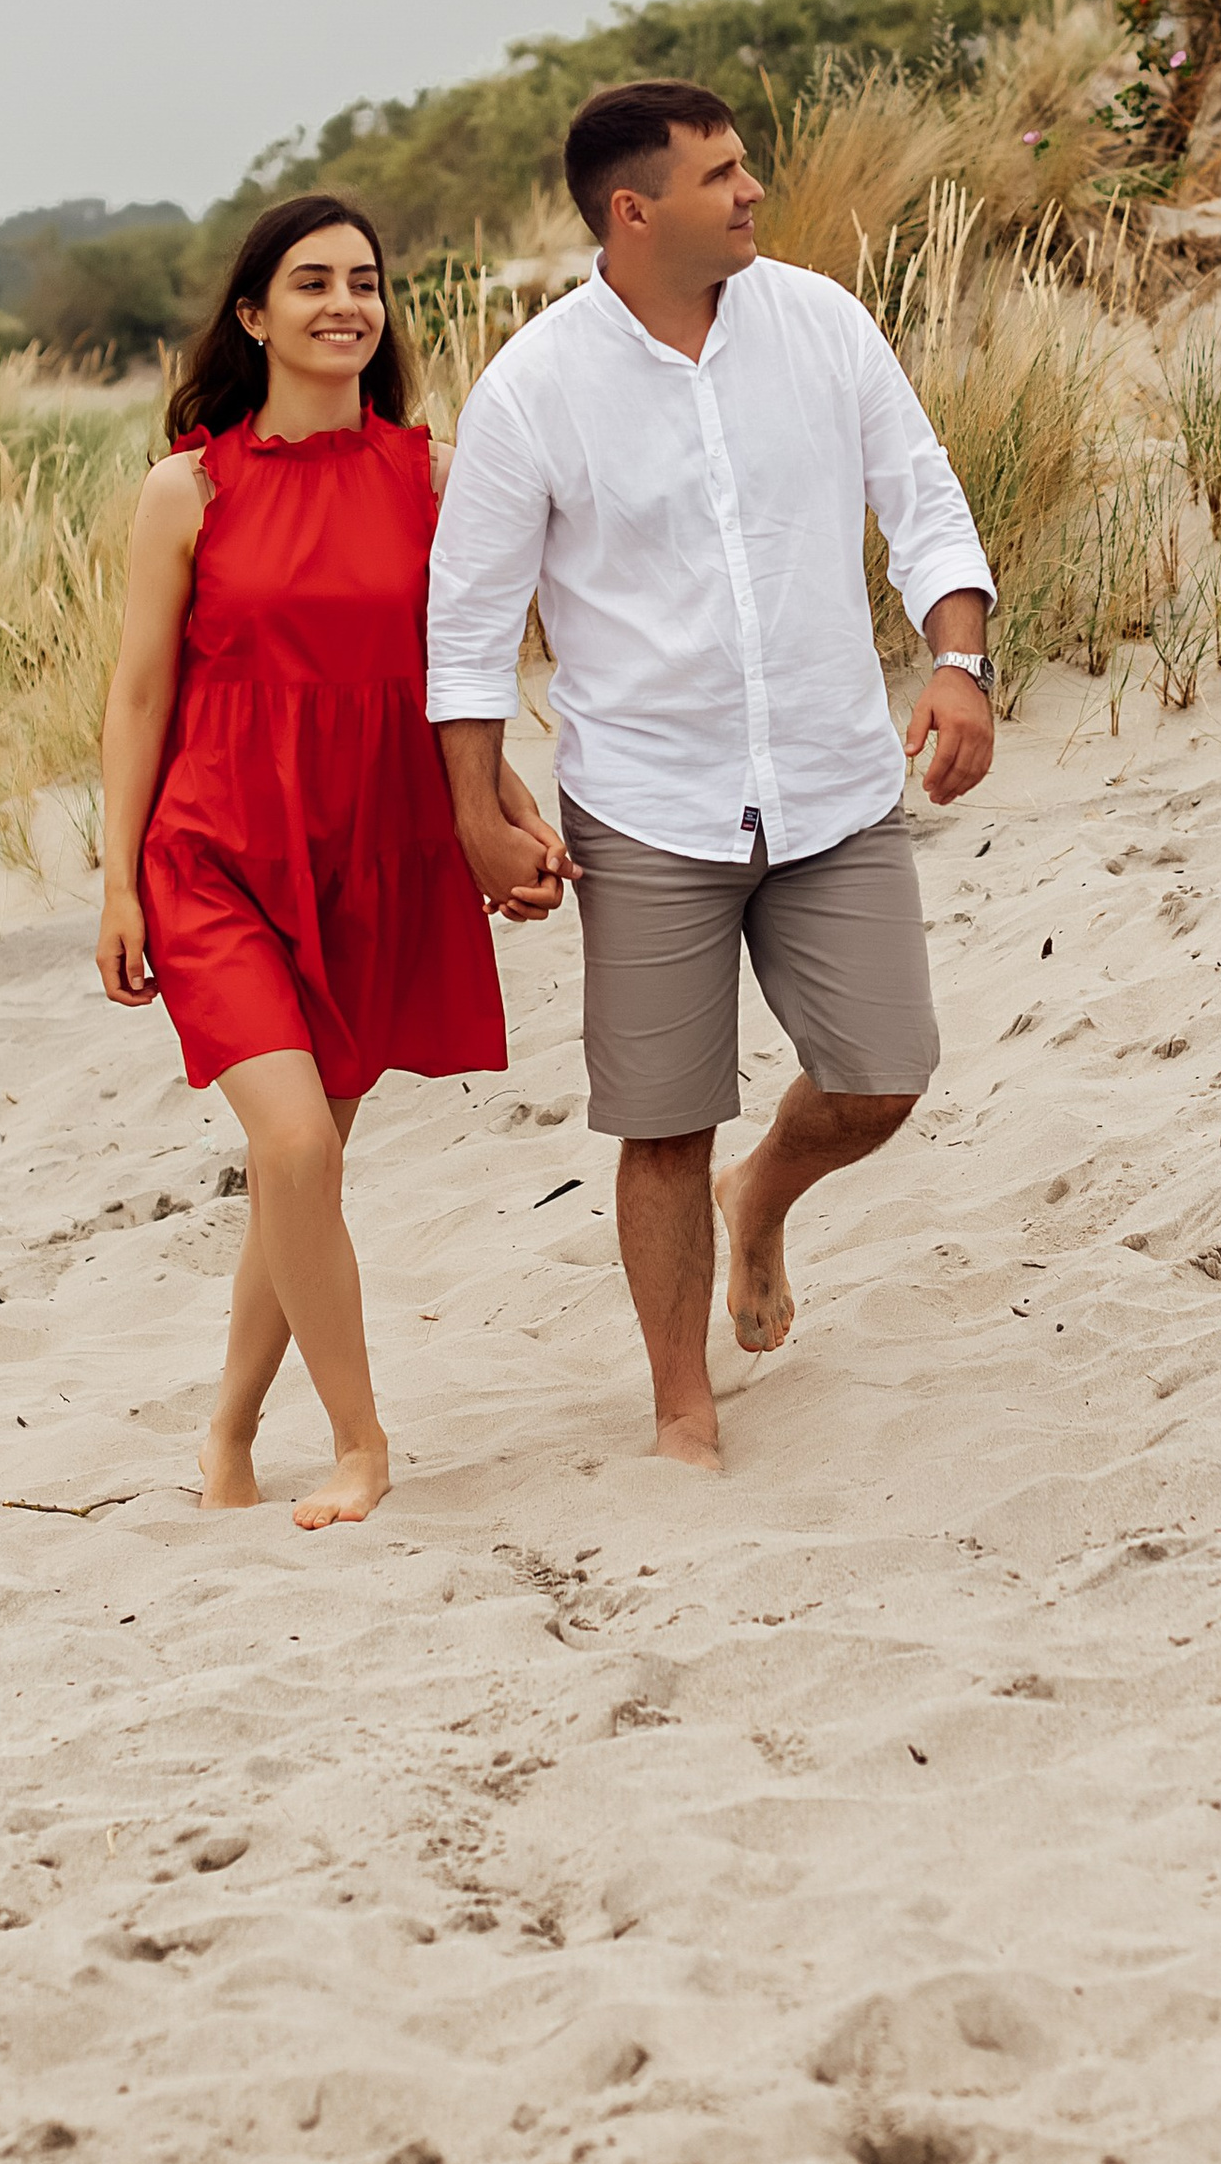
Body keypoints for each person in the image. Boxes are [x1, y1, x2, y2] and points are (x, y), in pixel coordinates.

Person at [425, 81, 996, 1471]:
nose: (752, 193)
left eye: (746, 170)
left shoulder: (822, 324)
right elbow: (468, 621)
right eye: (722, 175)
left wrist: (959, 658)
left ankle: (769, 1199)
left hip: (832, 778)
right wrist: (476, 814)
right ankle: (683, 1407)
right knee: (664, 1125)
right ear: (635, 211)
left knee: (881, 1080)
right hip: (648, 806)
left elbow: (919, 495)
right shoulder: (534, 389)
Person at [95, 193, 565, 1526]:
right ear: (254, 314)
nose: (346, 303)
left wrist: (504, 811)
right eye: (312, 282)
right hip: (216, 852)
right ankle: (362, 1444)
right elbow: (137, 698)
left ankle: (230, 1437)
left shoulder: (431, 475)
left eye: (365, 281)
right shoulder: (184, 490)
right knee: (295, 1143)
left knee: (303, 1173)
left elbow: (453, 677)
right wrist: (120, 878)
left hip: (375, 846)